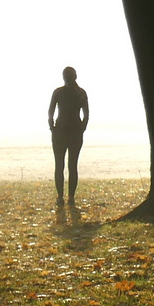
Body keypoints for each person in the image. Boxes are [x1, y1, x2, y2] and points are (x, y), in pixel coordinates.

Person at [48, 66, 89, 207]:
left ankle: (62, 197)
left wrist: (53, 128)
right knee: (71, 165)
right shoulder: (80, 93)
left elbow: (50, 113)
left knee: (60, 165)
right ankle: (69, 197)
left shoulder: (59, 92)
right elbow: (86, 115)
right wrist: (82, 128)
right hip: (72, 132)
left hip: (62, 132)